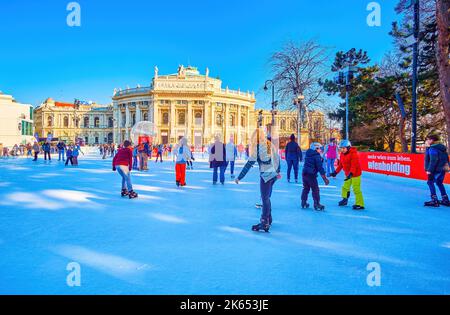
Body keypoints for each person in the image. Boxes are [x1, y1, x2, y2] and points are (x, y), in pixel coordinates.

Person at [235, 128, 281, 233]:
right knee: (267, 197)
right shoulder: (269, 144)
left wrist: (239, 177)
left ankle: (264, 221)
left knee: (265, 198)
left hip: (266, 174)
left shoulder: (258, 147)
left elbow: (249, 164)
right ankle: (269, 218)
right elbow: (277, 158)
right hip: (273, 174)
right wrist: (278, 171)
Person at [330, 140, 365, 210]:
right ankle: (344, 200)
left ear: (348, 147)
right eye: (341, 148)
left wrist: (351, 173)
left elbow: (354, 165)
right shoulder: (342, 154)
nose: (342, 150)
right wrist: (335, 172)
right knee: (345, 187)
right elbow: (341, 165)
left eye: (343, 148)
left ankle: (360, 204)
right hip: (348, 174)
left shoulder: (354, 154)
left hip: (355, 174)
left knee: (356, 189)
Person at [301, 143, 330, 211]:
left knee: (306, 188)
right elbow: (320, 168)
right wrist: (325, 179)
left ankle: (303, 202)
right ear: (315, 148)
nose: (320, 150)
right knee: (315, 190)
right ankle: (317, 204)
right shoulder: (316, 156)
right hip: (311, 175)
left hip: (304, 174)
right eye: (319, 148)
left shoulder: (308, 154)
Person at [424, 134, 450, 207]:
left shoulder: (433, 149)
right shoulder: (441, 148)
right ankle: (445, 199)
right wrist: (447, 168)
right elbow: (446, 158)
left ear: (432, 140)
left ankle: (434, 200)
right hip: (442, 169)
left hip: (435, 169)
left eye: (428, 139)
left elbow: (433, 160)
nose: (427, 141)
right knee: (439, 183)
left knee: (430, 182)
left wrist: (429, 170)